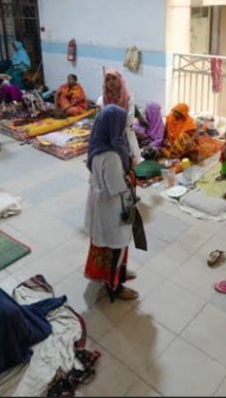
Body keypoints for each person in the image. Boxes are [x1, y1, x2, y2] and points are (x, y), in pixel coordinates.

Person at [84, 105, 138, 302]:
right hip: (111, 207)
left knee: (114, 245)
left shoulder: (97, 144)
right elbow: (117, 187)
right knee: (116, 246)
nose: (124, 130)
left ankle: (119, 273)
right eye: (122, 125)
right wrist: (132, 172)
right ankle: (114, 286)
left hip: (101, 204)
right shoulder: (111, 156)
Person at [96, 68, 141, 164]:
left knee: (130, 163)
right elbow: (100, 123)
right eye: (108, 80)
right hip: (107, 137)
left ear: (119, 79)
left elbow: (128, 121)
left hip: (125, 135)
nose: (111, 82)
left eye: (114, 78)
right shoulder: (101, 100)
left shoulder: (128, 98)